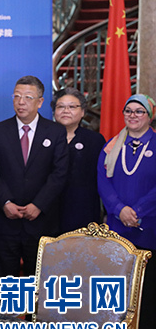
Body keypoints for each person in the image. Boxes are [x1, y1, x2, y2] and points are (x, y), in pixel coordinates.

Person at [0, 75, 68, 309]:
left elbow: (59, 174)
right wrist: (5, 202)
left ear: (40, 102)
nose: (21, 102)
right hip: (5, 221)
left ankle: (35, 326)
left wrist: (38, 204)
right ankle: (3, 325)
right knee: (4, 282)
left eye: (28, 97)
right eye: (17, 96)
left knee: (40, 281)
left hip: (41, 221)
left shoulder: (55, 132)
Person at [97, 94, 156, 329]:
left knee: (147, 291)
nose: (133, 115)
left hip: (149, 229)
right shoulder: (111, 146)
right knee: (117, 289)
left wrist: (138, 212)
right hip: (117, 228)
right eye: (128, 111)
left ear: (149, 116)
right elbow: (102, 181)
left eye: (139, 111)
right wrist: (119, 209)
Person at [52, 87, 105, 234]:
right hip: (49, 211)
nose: (66, 111)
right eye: (61, 106)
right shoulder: (44, 137)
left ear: (82, 112)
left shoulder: (95, 140)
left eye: (72, 107)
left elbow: (102, 178)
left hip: (83, 210)